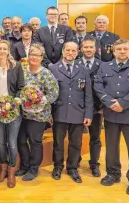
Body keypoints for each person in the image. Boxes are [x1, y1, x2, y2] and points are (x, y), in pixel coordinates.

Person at [94, 39, 129, 196]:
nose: (122, 52)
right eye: (119, 49)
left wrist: (123, 103)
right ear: (113, 51)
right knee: (111, 147)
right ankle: (112, 173)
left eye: (125, 49)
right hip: (111, 113)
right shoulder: (104, 66)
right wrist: (108, 101)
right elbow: (98, 85)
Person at [49, 42, 93, 183]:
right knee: (58, 143)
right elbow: (49, 92)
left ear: (77, 52)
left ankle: (72, 168)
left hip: (78, 112)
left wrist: (88, 114)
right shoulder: (53, 68)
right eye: (68, 50)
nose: (70, 53)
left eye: (73, 51)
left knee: (76, 143)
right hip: (59, 112)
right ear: (63, 51)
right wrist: (48, 113)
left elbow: (88, 94)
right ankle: (57, 166)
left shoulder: (83, 70)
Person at [16, 43, 59, 181]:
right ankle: (25, 165)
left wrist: (39, 100)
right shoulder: (22, 70)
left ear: (42, 57)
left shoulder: (46, 74)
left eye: (37, 55)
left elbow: (54, 93)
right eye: (32, 54)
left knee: (35, 141)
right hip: (22, 113)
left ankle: (34, 168)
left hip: (39, 115)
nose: (34, 57)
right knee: (21, 140)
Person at [0, 40, 24, 188]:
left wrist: (16, 99)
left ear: (8, 50)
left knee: (11, 142)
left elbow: (21, 86)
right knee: (1, 141)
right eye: (0, 48)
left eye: (5, 48)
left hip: (13, 110)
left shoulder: (16, 66)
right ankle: (2, 169)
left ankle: (11, 170)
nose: (2, 51)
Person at [75, 36, 103, 177]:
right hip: (78, 108)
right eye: (85, 47)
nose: (88, 49)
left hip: (97, 108)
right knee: (76, 137)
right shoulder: (75, 64)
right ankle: (76, 160)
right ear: (81, 49)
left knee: (95, 137)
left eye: (91, 47)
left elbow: (106, 87)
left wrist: (103, 105)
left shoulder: (102, 65)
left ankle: (94, 164)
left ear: (96, 49)